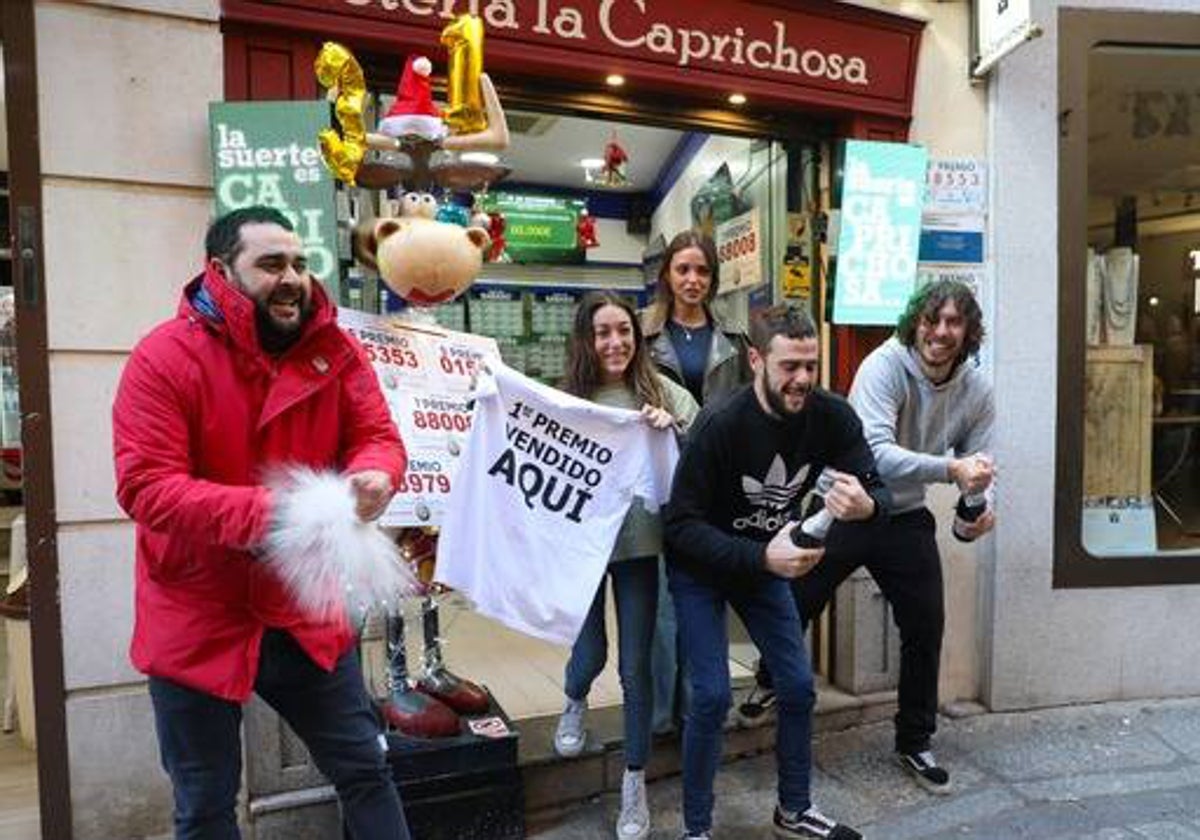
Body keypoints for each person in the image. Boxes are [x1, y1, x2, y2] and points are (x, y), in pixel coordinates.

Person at [112, 206, 410, 840]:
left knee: (366, 771)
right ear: (221, 272)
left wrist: (378, 473)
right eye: (271, 264)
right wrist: (281, 515)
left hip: (303, 607)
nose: (293, 278)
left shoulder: (337, 350)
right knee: (206, 803)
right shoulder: (161, 357)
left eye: (301, 263)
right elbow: (146, 489)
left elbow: (378, 436)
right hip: (196, 610)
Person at [746, 280, 995, 796]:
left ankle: (914, 740)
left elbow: (982, 466)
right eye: (932, 319)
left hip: (904, 515)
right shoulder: (884, 365)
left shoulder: (977, 389)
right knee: (796, 598)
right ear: (915, 322)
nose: (941, 332)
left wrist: (978, 507)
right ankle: (771, 676)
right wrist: (952, 470)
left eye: (954, 322)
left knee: (926, 625)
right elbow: (875, 452)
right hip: (846, 501)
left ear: (969, 331)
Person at [664, 304, 888, 840]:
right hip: (701, 566)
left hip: (766, 560)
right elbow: (679, 526)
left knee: (795, 685)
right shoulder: (719, 423)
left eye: (811, 365)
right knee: (713, 694)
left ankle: (793, 811)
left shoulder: (832, 416)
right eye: (790, 366)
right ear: (757, 359)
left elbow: (875, 487)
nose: (803, 379)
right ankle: (696, 829)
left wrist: (867, 505)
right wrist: (762, 557)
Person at [552, 291, 699, 840]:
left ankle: (634, 782)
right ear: (586, 340)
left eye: (624, 332)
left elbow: (708, 447)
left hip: (640, 547)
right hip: (582, 547)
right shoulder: (564, 397)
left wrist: (674, 431)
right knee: (589, 650)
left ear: (637, 339)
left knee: (637, 669)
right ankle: (573, 699)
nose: (614, 342)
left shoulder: (662, 393)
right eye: (602, 332)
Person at [643, 230, 753, 734]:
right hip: (659, 481)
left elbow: (753, 408)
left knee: (707, 596)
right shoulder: (641, 335)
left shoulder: (735, 338)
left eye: (702, 270)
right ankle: (666, 714)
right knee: (665, 604)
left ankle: (704, 706)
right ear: (667, 273)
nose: (692, 280)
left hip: (716, 483)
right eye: (682, 269)